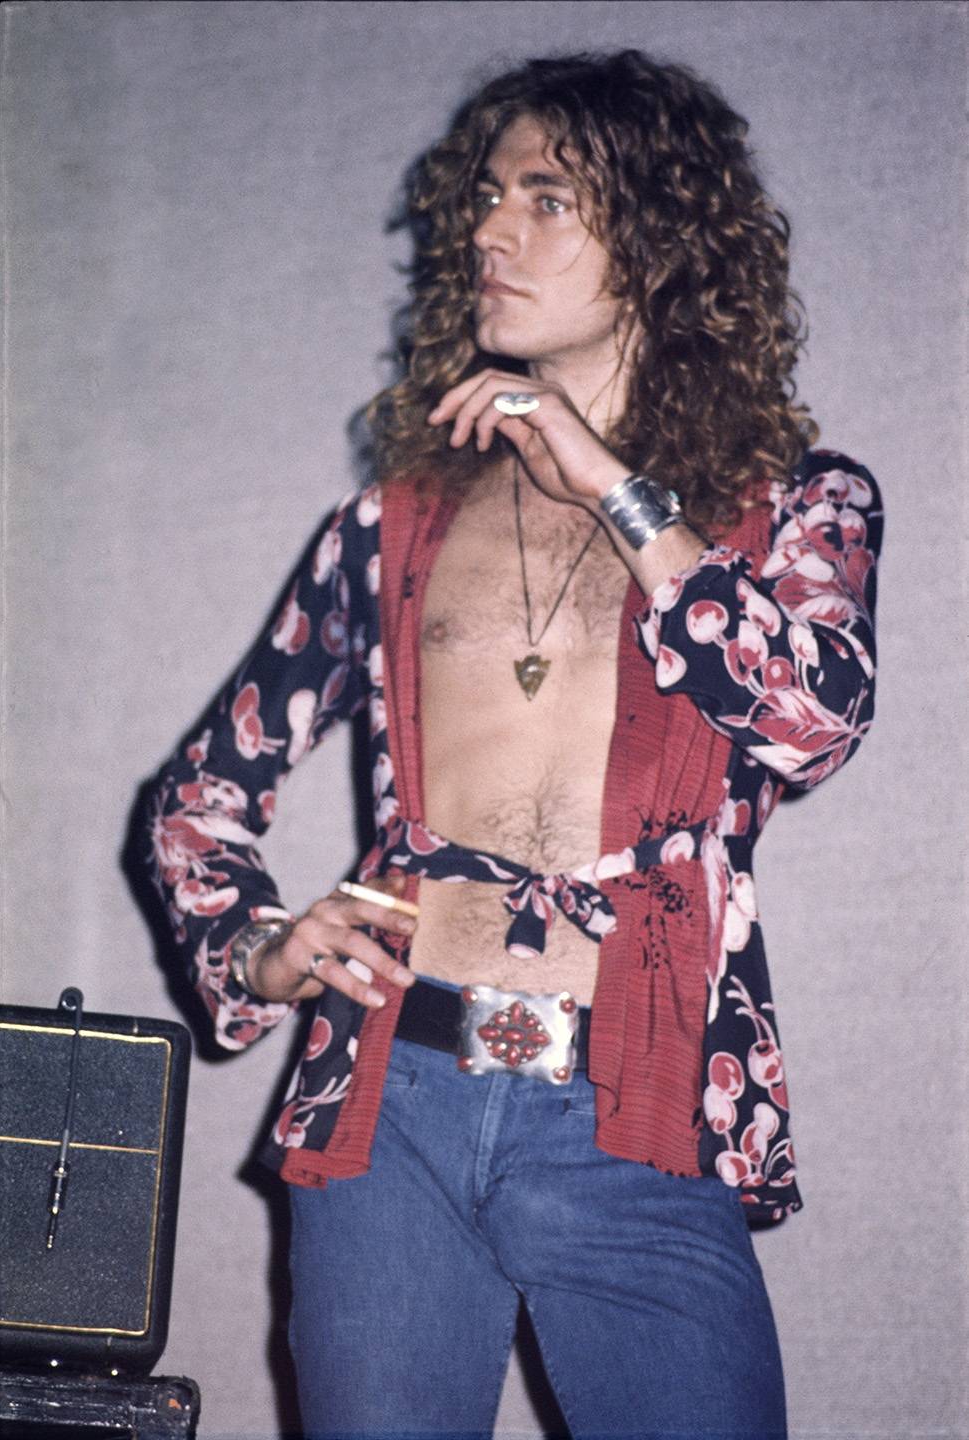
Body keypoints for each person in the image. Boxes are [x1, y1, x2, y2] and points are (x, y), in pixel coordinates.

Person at [146, 49, 881, 1440]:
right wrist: (255, 950)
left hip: (635, 1107)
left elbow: (812, 721)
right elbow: (199, 798)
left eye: (545, 198)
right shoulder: (392, 528)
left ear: (660, 244)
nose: (490, 230)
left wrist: (610, 482)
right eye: (486, 197)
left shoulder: (797, 510)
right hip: (393, 1107)